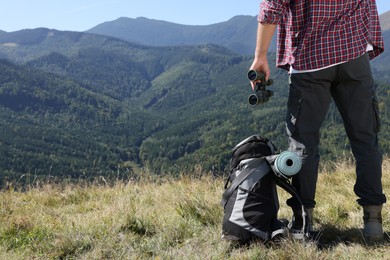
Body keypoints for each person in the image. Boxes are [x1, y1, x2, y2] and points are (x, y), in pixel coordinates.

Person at [250, 0, 387, 241]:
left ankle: (303, 222)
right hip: (354, 55)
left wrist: (261, 56)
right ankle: (373, 222)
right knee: (366, 141)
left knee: (303, 144)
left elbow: (271, 7)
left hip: (310, 60)